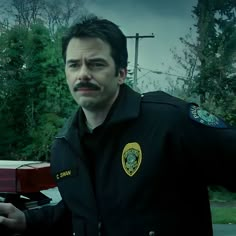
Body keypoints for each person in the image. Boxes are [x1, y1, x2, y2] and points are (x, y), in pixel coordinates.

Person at [0, 15, 236, 236]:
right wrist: (27, 220)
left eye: (96, 64)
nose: (82, 74)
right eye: (73, 65)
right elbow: (81, 211)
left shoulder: (170, 122)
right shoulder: (65, 146)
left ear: (121, 73)